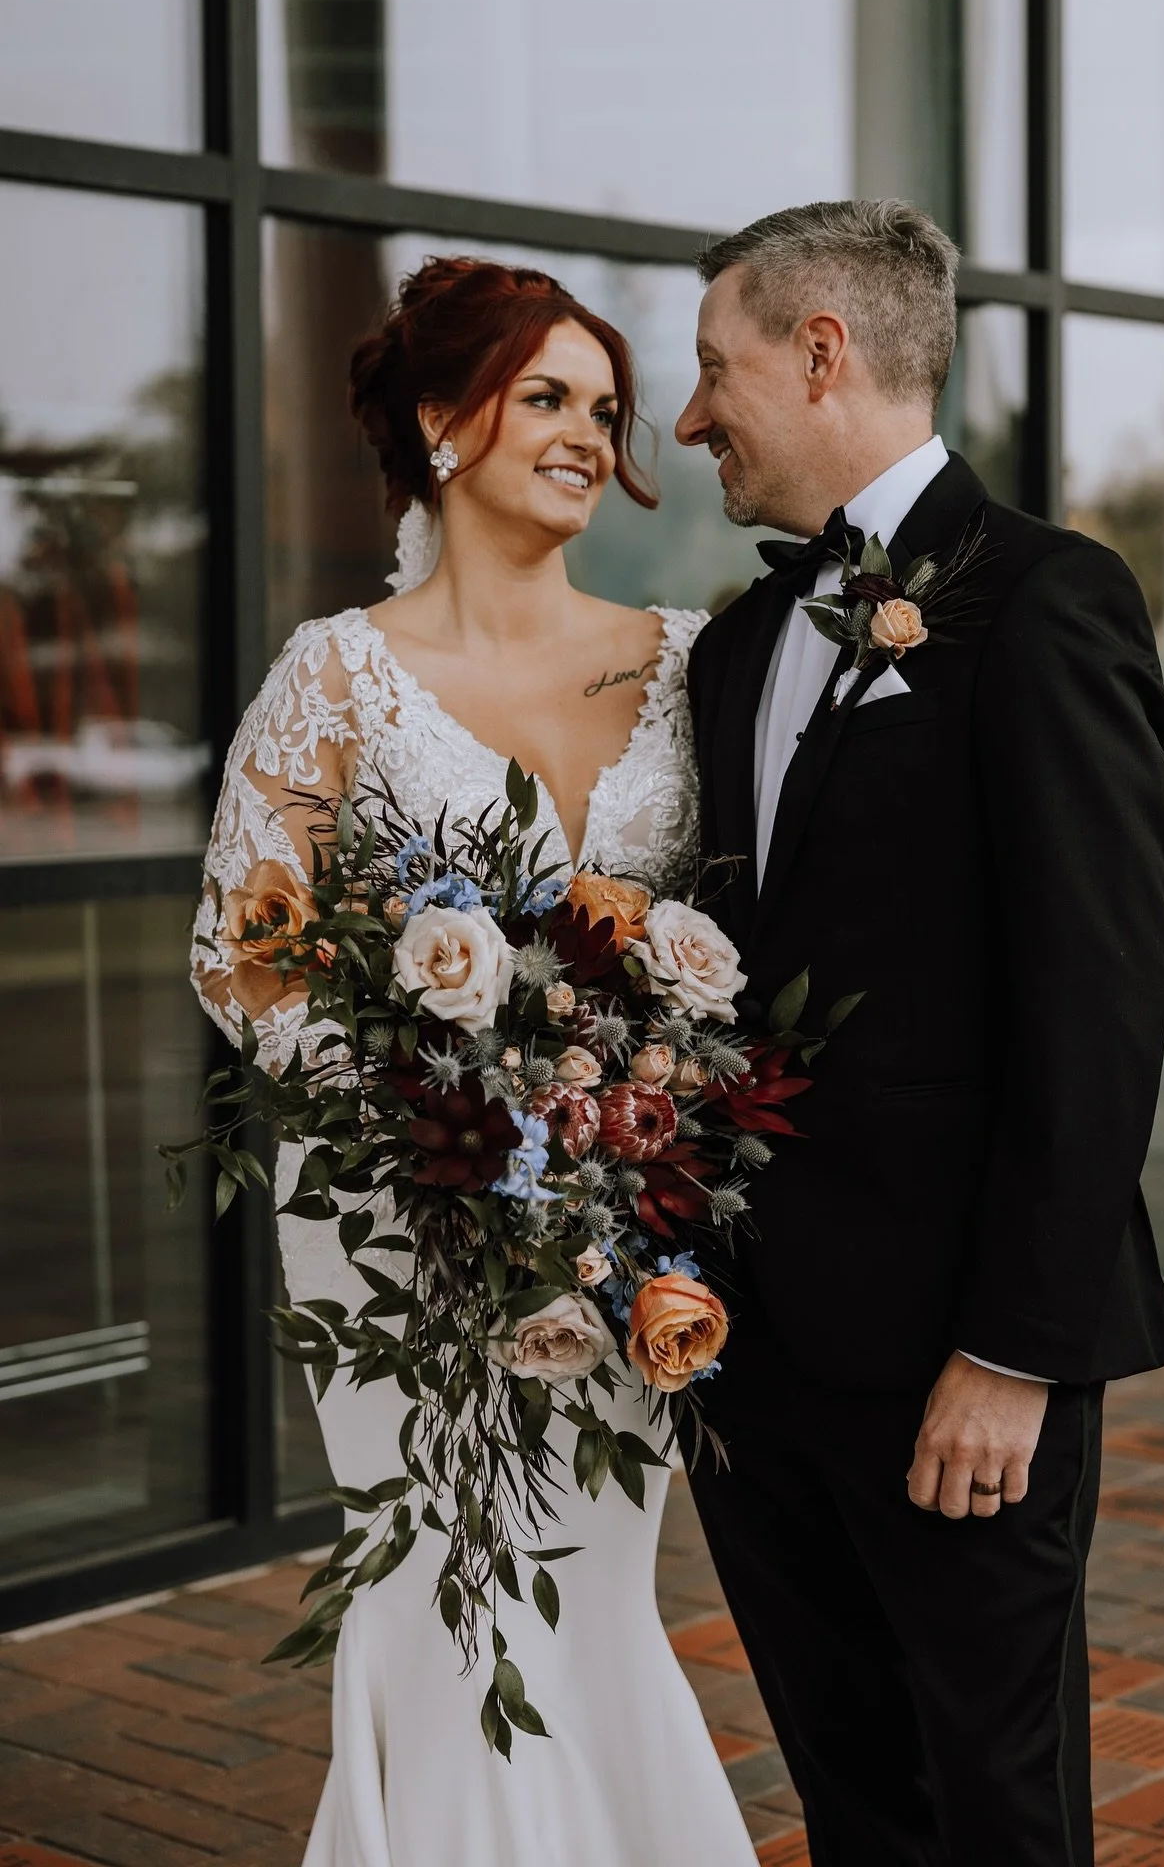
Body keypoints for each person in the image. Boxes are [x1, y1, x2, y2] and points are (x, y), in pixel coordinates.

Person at [190, 258, 754, 1867]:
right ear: (444, 423)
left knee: (586, 1584)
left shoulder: (685, 659)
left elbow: (727, 932)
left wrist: (618, 1107)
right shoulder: (335, 676)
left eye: (604, 405)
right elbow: (245, 950)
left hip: (626, 1211)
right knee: (439, 1594)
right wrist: (444, 1108)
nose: (588, 432)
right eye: (545, 398)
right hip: (396, 1214)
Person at [676, 199, 1164, 1867]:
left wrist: (1016, 1352)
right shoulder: (739, 642)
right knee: (850, 1793)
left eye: (711, 369)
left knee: (998, 1804)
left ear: (821, 354)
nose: (690, 421)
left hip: (955, 1362)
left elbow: (1096, 1003)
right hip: (750, 1358)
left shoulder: (1049, 600)